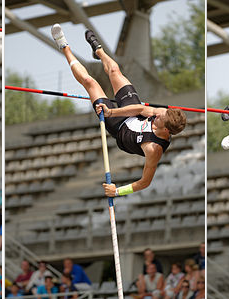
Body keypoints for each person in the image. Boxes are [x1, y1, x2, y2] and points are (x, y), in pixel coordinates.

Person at [50, 24, 186, 198]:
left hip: (121, 129)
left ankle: (64, 45)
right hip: (131, 114)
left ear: (166, 130)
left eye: (160, 118)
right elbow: (141, 109)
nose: (158, 114)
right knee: (114, 70)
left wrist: (118, 191)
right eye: (161, 112)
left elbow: (145, 182)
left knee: (89, 82)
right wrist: (112, 111)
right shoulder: (163, 113)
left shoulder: (154, 149)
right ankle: (98, 51)